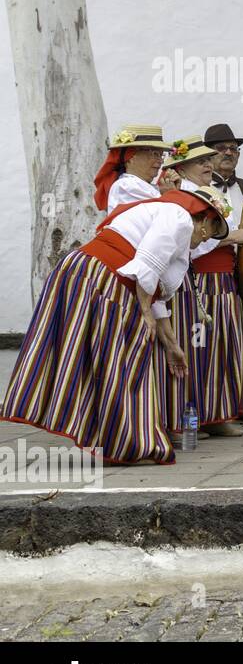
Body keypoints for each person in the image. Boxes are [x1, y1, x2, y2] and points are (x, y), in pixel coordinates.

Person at [2, 187, 231, 464]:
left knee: (109, 361)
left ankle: (116, 439)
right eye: (210, 230)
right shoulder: (179, 217)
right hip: (100, 277)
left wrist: (172, 346)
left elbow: (159, 296)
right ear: (204, 219)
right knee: (123, 359)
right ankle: (123, 441)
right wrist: (143, 312)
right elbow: (148, 260)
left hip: (96, 278)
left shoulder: (174, 227)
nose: (204, 240)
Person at [159, 136, 243, 439]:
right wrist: (228, 238)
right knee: (195, 349)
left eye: (208, 159)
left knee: (223, 347)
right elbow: (187, 245)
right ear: (182, 168)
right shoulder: (179, 199)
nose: (209, 164)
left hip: (224, 281)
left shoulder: (211, 194)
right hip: (195, 282)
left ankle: (218, 413)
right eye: (200, 161)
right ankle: (188, 417)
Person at [205, 123, 243, 428]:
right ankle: (215, 406)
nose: (229, 153)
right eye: (222, 149)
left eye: (234, 148)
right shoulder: (198, 189)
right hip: (209, 274)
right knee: (213, 339)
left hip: (242, 273)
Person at [94, 124, 169, 213]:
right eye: (155, 154)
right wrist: (170, 193)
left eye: (161, 155)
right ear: (130, 157)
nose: (161, 161)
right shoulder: (127, 185)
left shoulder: (138, 185)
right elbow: (167, 216)